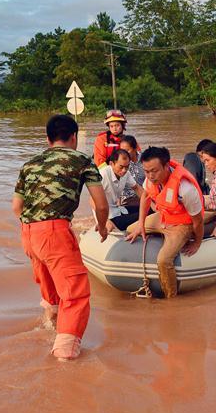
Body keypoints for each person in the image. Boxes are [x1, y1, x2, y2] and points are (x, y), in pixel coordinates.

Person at [12, 114, 109, 361]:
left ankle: (49, 327)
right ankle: (65, 357)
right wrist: (102, 227)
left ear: (48, 138)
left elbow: (16, 207)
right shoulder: (82, 159)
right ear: (74, 137)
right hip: (54, 232)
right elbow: (100, 204)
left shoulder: (30, 163)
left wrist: (34, 227)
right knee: (75, 293)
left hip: (28, 233)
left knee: (50, 287)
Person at [125, 147, 205, 298]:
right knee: (131, 229)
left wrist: (197, 242)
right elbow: (145, 197)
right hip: (164, 216)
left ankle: (171, 299)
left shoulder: (185, 189)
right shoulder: (150, 179)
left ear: (166, 165)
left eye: (154, 171)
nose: (150, 176)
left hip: (182, 224)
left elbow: (198, 221)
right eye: (147, 171)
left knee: (163, 260)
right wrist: (141, 224)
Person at [99, 148, 144, 231]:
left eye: (127, 167)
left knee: (149, 210)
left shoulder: (126, 173)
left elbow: (137, 188)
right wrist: (104, 221)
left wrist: (152, 203)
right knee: (145, 215)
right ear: (111, 163)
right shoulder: (103, 174)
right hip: (109, 217)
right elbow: (92, 201)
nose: (124, 170)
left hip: (118, 210)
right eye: (121, 167)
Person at [119, 135, 145, 200]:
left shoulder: (145, 159)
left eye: (127, 150)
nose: (124, 154)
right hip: (126, 199)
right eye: (122, 150)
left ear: (135, 148)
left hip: (144, 196)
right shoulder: (118, 162)